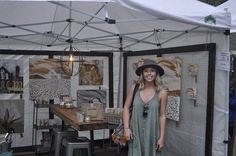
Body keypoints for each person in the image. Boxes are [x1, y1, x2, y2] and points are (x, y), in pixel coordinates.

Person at [123, 59, 168, 156]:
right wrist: (126, 128)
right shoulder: (135, 88)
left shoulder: (162, 92)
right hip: (135, 133)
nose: (149, 74)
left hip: (152, 134)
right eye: (146, 71)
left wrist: (162, 137)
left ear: (156, 73)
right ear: (142, 74)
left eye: (152, 70)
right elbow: (126, 108)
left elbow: (162, 115)